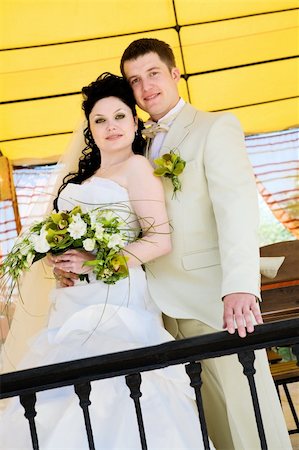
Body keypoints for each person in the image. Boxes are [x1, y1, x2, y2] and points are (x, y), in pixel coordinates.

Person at [0, 73, 215, 449]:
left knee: (121, 395)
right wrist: (58, 261)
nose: (110, 127)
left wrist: (96, 264)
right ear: (90, 129)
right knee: (63, 398)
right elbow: (67, 239)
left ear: (135, 123)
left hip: (118, 301)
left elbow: (160, 239)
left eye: (119, 117)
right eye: (100, 120)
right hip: (70, 304)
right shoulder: (80, 180)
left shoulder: (138, 169)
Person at [118, 38, 292, 450]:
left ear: (176, 73)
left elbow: (237, 211)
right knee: (200, 422)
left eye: (154, 73)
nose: (146, 87)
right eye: (135, 80)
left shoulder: (216, 128)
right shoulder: (133, 144)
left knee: (246, 413)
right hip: (156, 309)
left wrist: (240, 287)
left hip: (213, 299)